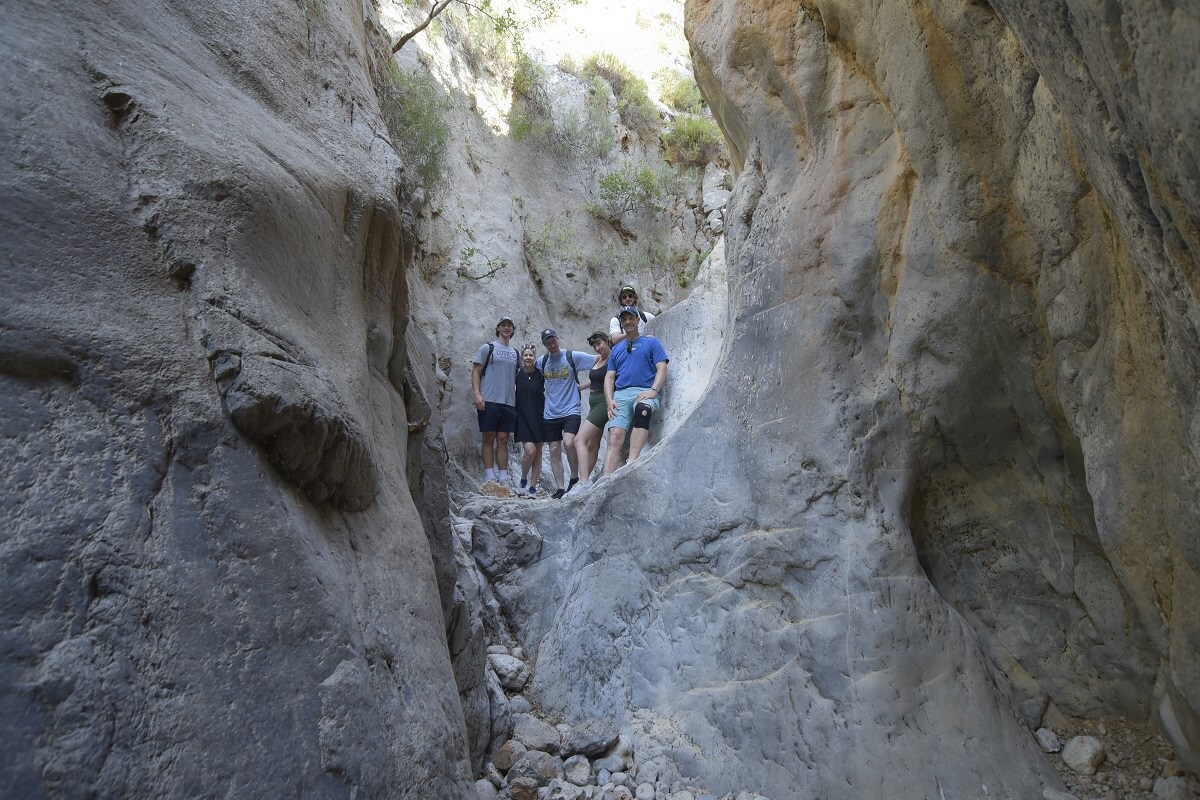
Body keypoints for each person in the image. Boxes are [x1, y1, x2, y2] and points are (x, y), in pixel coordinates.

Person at [603, 306, 669, 476]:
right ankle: (605, 480)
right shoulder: (616, 349)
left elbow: (662, 367)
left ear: (638, 320)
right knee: (614, 435)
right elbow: (609, 377)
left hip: (644, 390)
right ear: (621, 323)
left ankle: (631, 463)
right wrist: (609, 399)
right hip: (621, 394)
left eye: (631, 318)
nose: (628, 322)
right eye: (624, 319)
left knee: (643, 410)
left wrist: (654, 390)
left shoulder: (651, 342)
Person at [537, 328, 597, 499]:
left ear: (558, 339)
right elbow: (529, 372)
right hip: (550, 412)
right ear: (544, 344)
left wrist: (584, 385)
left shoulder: (572, 356)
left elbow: (599, 360)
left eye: (553, 340)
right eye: (548, 342)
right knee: (554, 448)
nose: (552, 344)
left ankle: (574, 477)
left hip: (571, 408)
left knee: (569, 442)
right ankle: (560, 488)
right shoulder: (541, 362)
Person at [471, 316, 519, 484]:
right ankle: (489, 475)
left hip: (509, 402)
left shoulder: (515, 353)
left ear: (513, 330)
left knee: (503, 439)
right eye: (503, 325)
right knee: (488, 437)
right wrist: (477, 394)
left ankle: (503, 477)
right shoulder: (488, 348)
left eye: (509, 325)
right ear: (498, 328)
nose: (506, 328)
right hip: (489, 399)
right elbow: (476, 371)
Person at [566, 331, 612, 495]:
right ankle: (585, 482)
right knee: (592, 445)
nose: (597, 348)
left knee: (579, 439)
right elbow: (595, 379)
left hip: (603, 403)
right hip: (594, 402)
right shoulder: (599, 359)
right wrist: (580, 387)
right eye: (594, 346)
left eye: (599, 344)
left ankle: (583, 481)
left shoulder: (614, 358)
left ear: (607, 341)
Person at [513, 344, 546, 498]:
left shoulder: (541, 375)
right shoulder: (517, 375)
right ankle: (523, 479)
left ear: (534, 357)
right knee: (530, 451)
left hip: (540, 417)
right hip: (523, 418)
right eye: (525, 355)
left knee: (538, 453)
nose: (528, 358)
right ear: (522, 358)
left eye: (530, 355)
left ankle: (533, 487)